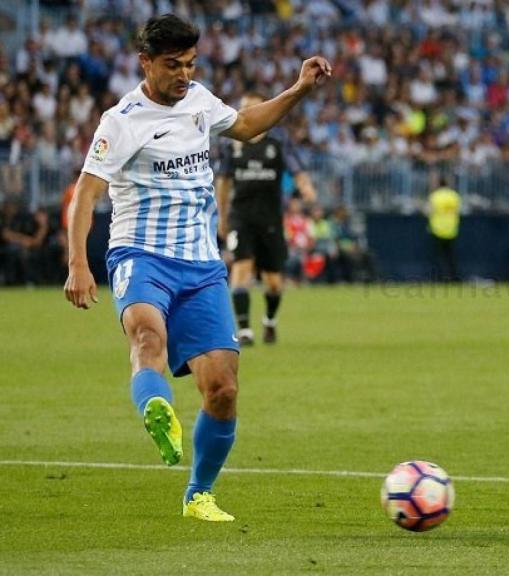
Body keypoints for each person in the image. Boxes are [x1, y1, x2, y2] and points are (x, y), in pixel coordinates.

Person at [63, 14, 331, 522]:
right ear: (145, 62)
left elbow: (248, 126)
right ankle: (155, 408)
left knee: (224, 389)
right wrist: (79, 263)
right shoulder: (121, 121)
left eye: (190, 64)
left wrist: (298, 89)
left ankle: (198, 495)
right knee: (147, 337)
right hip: (140, 255)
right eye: (173, 65)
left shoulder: (201, 101)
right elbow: (86, 194)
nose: (184, 74)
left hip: (202, 265)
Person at [215, 93, 317, 346]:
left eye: (251, 108)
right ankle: (245, 330)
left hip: (270, 220)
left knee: (273, 283)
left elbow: (297, 169)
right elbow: (224, 183)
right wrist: (222, 216)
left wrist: (306, 187)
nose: (246, 112)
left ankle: (269, 321)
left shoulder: (277, 143)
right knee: (241, 270)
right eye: (243, 108)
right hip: (241, 217)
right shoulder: (232, 146)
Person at [427, 176, 460, 282]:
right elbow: (457, 211)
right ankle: (453, 277)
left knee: (439, 257)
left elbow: (429, 211)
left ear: (439, 184)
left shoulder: (435, 196)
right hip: (451, 230)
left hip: (437, 229)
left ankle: (440, 278)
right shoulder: (454, 196)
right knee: (451, 256)